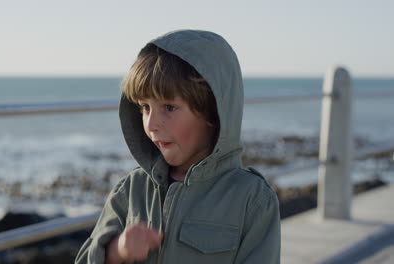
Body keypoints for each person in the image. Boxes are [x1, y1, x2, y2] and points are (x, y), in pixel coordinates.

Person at [75, 29, 280, 264]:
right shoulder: (131, 189)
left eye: (169, 107)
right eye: (145, 108)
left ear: (212, 113)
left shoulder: (253, 200)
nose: (151, 124)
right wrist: (116, 250)